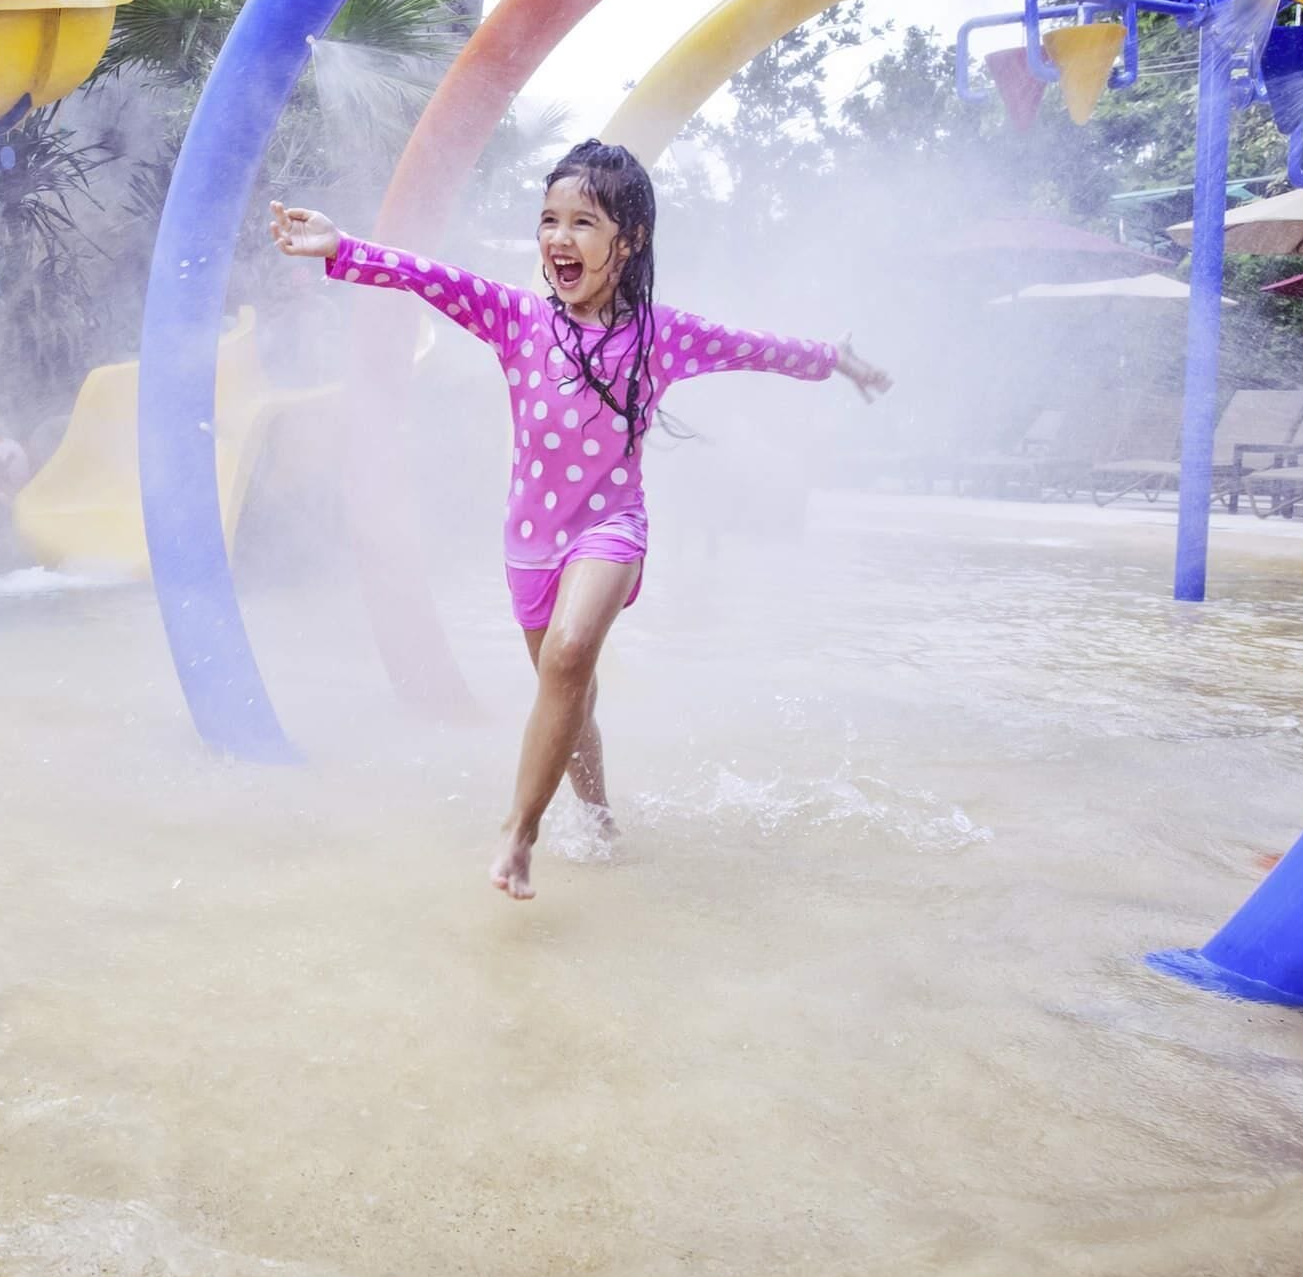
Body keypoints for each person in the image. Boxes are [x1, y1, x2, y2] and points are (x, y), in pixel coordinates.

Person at [271, 139, 889, 899]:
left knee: (567, 662)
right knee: (572, 693)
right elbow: (430, 278)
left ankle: (518, 835)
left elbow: (752, 348)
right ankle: (596, 818)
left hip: (612, 529)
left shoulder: (660, 335)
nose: (558, 239)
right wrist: (342, 248)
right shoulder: (516, 319)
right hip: (529, 546)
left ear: (626, 242)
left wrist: (838, 359)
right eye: (548, 220)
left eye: (582, 223)